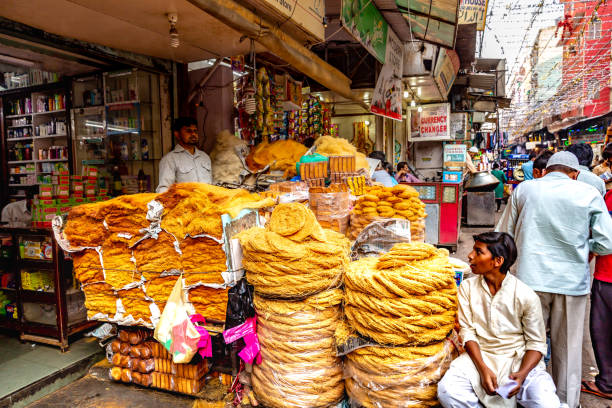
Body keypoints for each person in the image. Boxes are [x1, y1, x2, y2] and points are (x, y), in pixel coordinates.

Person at [501, 151, 612, 408]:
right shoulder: (588, 193)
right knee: (568, 349)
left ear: (547, 170)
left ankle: (520, 396)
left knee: (526, 343)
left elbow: (504, 236)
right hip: (571, 284)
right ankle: (565, 402)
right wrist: (589, 248)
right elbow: (607, 242)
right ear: (575, 174)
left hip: (530, 281)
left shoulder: (524, 190)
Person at [438, 232, 559, 408]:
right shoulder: (467, 288)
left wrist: (522, 374)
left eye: (478, 252)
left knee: (547, 403)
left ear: (497, 261)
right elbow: (467, 332)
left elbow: (536, 344)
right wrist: (482, 368)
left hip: (517, 358)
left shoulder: (525, 295)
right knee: (447, 391)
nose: (470, 256)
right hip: (479, 355)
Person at [581, 188, 612, 400]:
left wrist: (588, 255)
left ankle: (607, 383)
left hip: (608, 275)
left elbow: (602, 237)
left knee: (602, 330)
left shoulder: (609, 198)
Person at [156, 117, 212, 193]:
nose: (193, 134)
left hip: (207, 203)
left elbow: (212, 186)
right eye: (188, 131)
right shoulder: (169, 159)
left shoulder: (205, 157)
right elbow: (164, 190)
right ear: (177, 134)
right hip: (184, 204)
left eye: (195, 131)